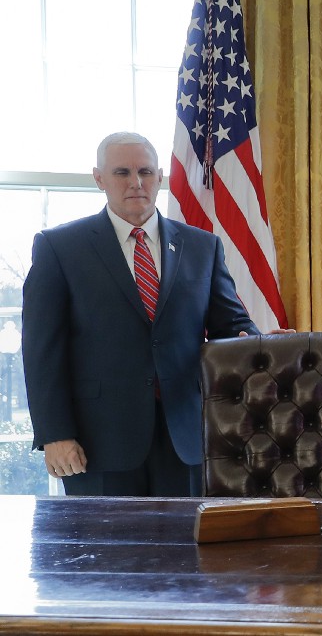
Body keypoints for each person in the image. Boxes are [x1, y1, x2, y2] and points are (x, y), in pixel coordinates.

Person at [22, 132, 262, 496]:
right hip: (97, 443)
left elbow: (232, 326)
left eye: (146, 172)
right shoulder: (59, 248)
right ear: (99, 179)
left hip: (186, 438)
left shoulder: (202, 246)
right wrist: (55, 434)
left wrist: (255, 342)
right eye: (122, 172)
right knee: (107, 554)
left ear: (160, 177)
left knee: (186, 551)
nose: (136, 183)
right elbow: (42, 351)